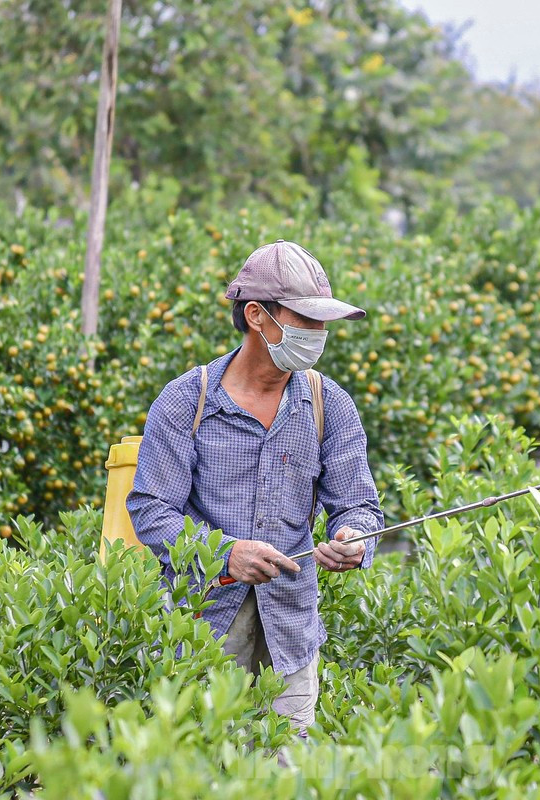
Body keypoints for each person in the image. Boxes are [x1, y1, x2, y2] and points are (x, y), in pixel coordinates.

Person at [126, 238, 383, 736]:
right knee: (201, 765)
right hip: (202, 628)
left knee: (287, 769)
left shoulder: (329, 405)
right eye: (305, 320)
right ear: (257, 316)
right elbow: (152, 509)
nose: (319, 333)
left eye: (323, 323)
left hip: (291, 629)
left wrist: (354, 536)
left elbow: (360, 504)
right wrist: (225, 553)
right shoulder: (188, 401)